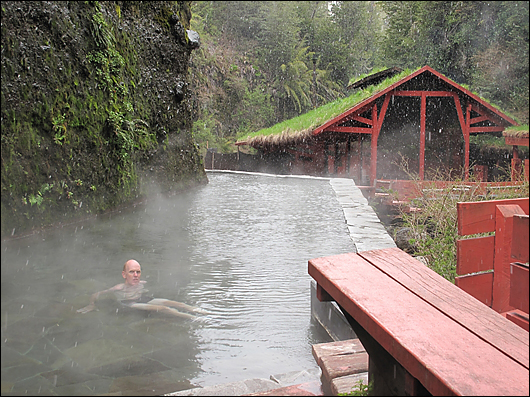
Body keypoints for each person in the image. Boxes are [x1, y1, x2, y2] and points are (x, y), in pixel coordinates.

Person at [77, 259, 205, 319]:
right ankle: (194, 318)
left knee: (176, 303)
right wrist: (91, 304)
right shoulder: (119, 287)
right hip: (130, 303)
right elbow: (96, 294)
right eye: (132, 272)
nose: (135, 275)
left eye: (138, 272)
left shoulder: (141, 283)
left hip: (143, 298)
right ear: (124, 274)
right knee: (163, 308)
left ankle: (205, 313)